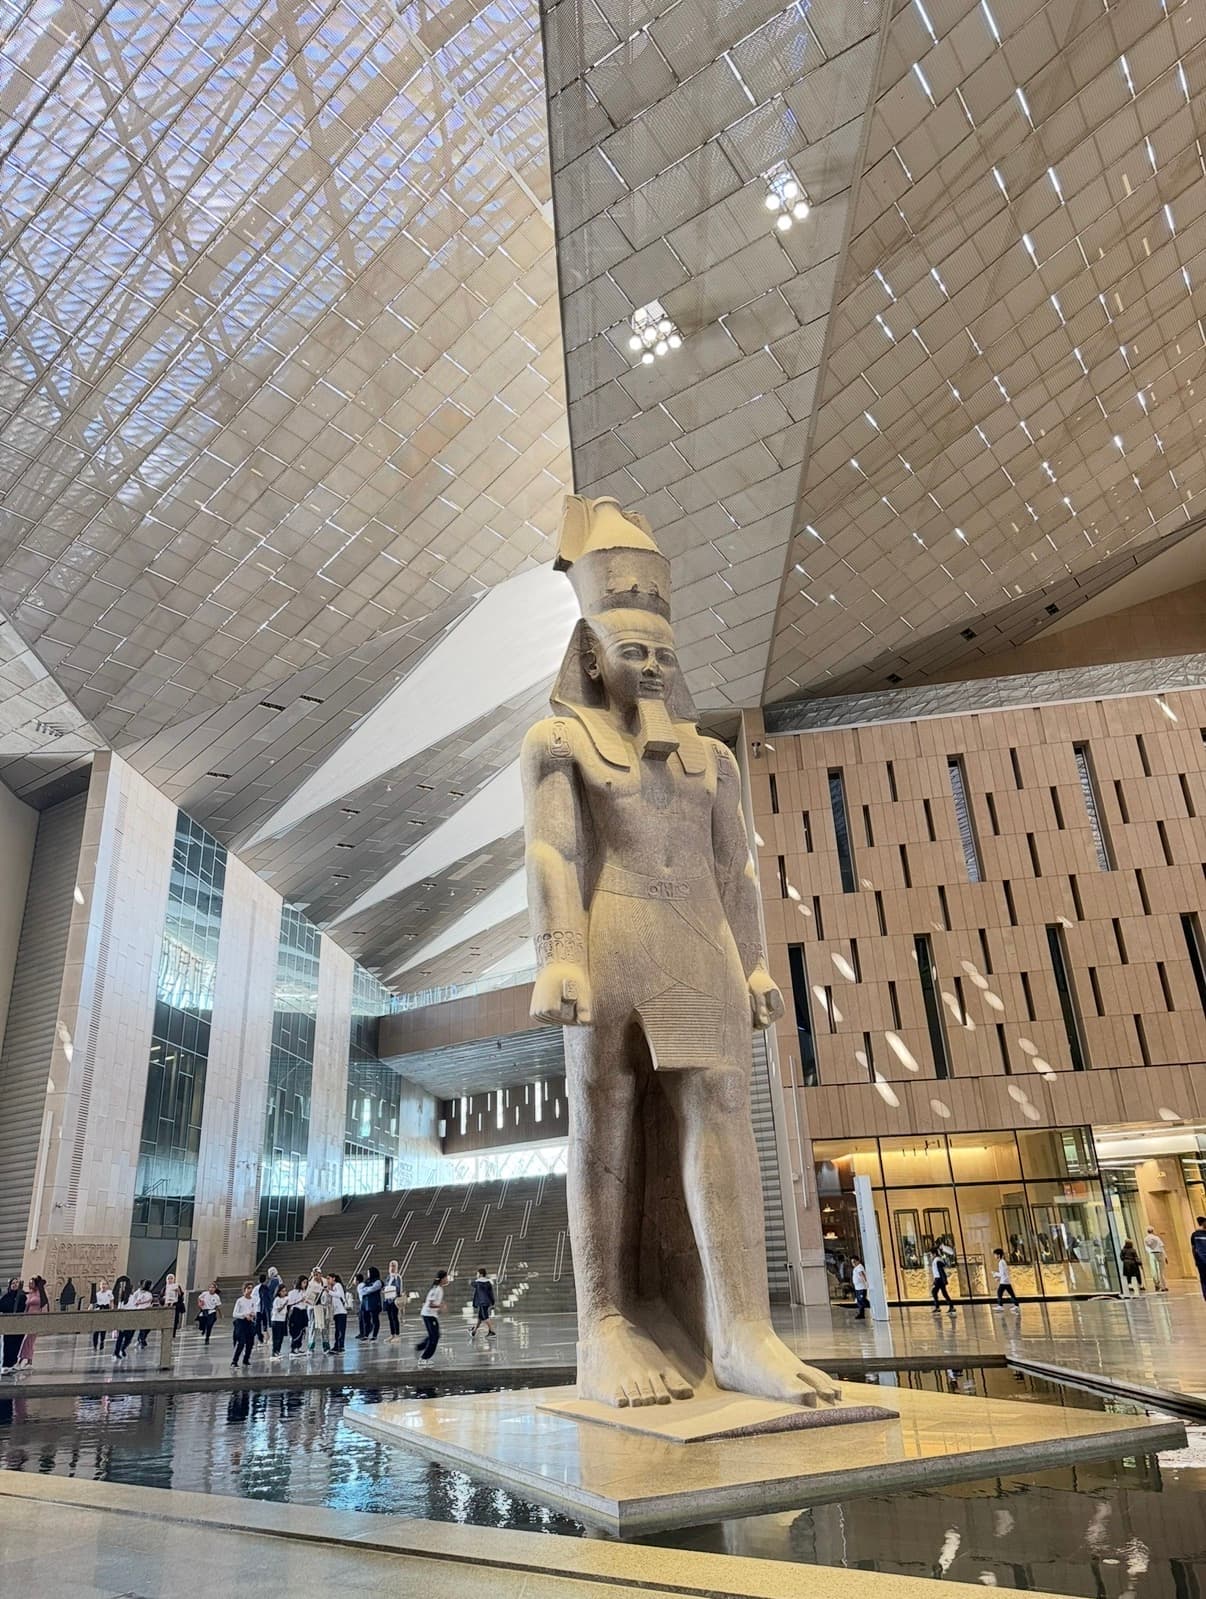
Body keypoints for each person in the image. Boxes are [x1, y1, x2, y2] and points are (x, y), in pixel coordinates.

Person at [416, 1270, 448, 1364]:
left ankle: (420, 1346)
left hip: (429, 1315)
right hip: (429, 1315)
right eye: (446, 1277)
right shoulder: (437, 1289)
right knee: (434, 1337)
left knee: (435, 1335)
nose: (447, 1279)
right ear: (442, 1279)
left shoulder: (438, 1288)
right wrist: (441, 1306)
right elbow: (430, 1304)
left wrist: (440, 1304)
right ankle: (424, 1358)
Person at [1, 1279, 27, 1372]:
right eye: (13, 1283)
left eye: (16, 1283)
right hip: (9, 1324)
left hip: (19, 1324)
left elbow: (22, 1307)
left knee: (16, 1344)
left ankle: (13, 1363)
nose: (15, 1284)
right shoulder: (7, 1296)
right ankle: (6, 1364)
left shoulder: (22, 1296)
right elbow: (2, 1306)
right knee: (8, 1344)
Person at [231, 1282, 258, 1368]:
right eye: (248, 1288)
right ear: (244, 1289)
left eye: (251, 1288)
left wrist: (252, 1314)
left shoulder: (254, 1300)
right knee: (241, 1342)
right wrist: (244, 1315)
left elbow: (255, 1310)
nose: (250, 1290)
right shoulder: (240, 1300)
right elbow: (235, 1314)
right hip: (241, 1323)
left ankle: (246, 1360)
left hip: (250, 1323)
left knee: (250, 1343)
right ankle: (234, 1361)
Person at [470, 1268, 496, 1340]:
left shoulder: (477, 1283)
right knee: (480, 1317)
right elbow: (491, 1293)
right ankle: (474, 1330)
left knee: (485, 1317)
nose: (476, 1275)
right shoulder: (488, 1283)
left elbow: (472, 1283)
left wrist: (478, 1279)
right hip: (487, 1302)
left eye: (477, 1273)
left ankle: (492, 1331)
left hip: (482, 1302)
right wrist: (492, 1301)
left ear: (480, 1274)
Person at [128, 1279, 154, 1351]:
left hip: (147, 1311)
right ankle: (141, 1340)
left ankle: (141, 1339)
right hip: (141, 1311)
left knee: (148, 1327)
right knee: (143, 1326)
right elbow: (134, 1299)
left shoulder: (149, 1293)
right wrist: (138, 1303)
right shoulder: (139, 1292)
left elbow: (150, 1301)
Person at [91, 1278, 114, 1351]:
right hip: (98, 1310)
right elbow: (92, 1304)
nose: (103, 1286)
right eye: (102, 1284)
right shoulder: (97, 1294)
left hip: (105, 1309)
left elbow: (111, 1303)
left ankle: (102, 1341)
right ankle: (95, 1345)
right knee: (96, 1330)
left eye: (105, 1284)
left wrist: (112, 1311)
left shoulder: (109, 1293)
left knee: (103, 1328)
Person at [286, 1276, 308, 1354]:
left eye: (306, 1283)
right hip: (296, 1312)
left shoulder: (305, 1292)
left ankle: (298, 1347)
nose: (305, 1284)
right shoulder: (292, 1292)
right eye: (303, 1282)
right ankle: (293, 1347)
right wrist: (299, 1300)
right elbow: (289, 1303)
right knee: (296, 1330)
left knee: (302, 1330)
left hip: (303, 1311)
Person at [361, 1265, 383, 1341]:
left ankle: (374, 1335)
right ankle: (366, 1334)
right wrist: (366, 1289)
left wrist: (366, 1289)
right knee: (366, 1320)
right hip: (365, 1303)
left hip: (374, 1303)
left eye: (369, 1272)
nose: (368, 1274)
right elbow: (362, 1290)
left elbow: (372, 1289)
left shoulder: (378, 1281)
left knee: (375, 1319)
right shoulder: (367, 1281)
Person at [1144, 1227, 1169, 1292]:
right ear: (1153, 1231)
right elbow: (1161, 1247)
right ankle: (1163, 1286)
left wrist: (1150, 1252)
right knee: (1161, 1271)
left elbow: (1146, 1248)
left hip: (1152, 1254)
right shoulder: (1156, 1238)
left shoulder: (1146, 1239)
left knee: (1154, 1270)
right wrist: (1165, 1256)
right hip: (1159, 1253)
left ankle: (1157, 1284)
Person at [269, 1282, 290, 1359]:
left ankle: (278, 1351)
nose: (284, 1293)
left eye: (285, 1291)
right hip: (276, 1320)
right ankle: (274, 1351)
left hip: (282, 1320)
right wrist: (285, 1304)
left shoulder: (285, 1298)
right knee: (276, 1338)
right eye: (282, 1291)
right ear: (279, 1292)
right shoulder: (277, 1300)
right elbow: (278, 1310)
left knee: (281, 1337)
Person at [383, 1261, 403, 1340]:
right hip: (388, 1299)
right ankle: (392, 1334)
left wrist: (398, 1295)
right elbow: (386, 1286)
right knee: (390, 1318)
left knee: (394, 1317)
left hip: (394, 1300)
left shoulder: (397, 1277)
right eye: (391, 1266)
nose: (392, 1268)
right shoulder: (388, 1277)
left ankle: (397, 1335)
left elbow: (399, 1288)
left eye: (394, 1266)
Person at [329, 1274, 348, 1353]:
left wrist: (329, 1291)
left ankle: (340, 1346)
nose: (328, 1280)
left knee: (340, 1330)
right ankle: (337, 1345)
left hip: (341, 1311)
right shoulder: (334, 1287)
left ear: (334, 1278)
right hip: (337, 1312)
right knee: (337, 1330)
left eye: (329, 1278)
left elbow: (339, 1295)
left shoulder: (338, 1285)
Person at [1190, 1216, 1206, 1300]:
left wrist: (1195, 1260)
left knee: (1203, 1279)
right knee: (1204, 1279)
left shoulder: (1194, 1235)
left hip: (1200, 1261)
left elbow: (1193, 1249)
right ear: (1203, 1223)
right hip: (1202, 1260)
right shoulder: (1197, 1234)